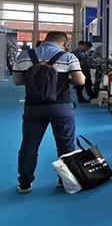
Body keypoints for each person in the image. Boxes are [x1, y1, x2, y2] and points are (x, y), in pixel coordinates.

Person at [12, 31, 85, 193]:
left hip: (33, 107)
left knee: (29, 145)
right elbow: (80, 81)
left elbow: (17, 81)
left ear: (45, 39)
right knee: (65, 144)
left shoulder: (24, 55)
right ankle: (65, 180)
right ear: (64, 43)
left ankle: (25, 183)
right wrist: (65, 79)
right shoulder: (68, 57)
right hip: (61, 107)